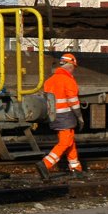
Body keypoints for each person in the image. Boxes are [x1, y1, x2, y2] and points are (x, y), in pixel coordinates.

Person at [35, 52, 84, 181]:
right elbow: (73, 101)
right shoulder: (68, 80)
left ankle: (76, 168)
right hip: (65, 116)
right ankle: (45, 164)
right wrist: (79, 117)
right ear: (70, 66)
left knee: (70, 141)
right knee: (65, 142)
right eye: (73, 67)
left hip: (54, 116)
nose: (73, 70)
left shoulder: (49, 81)